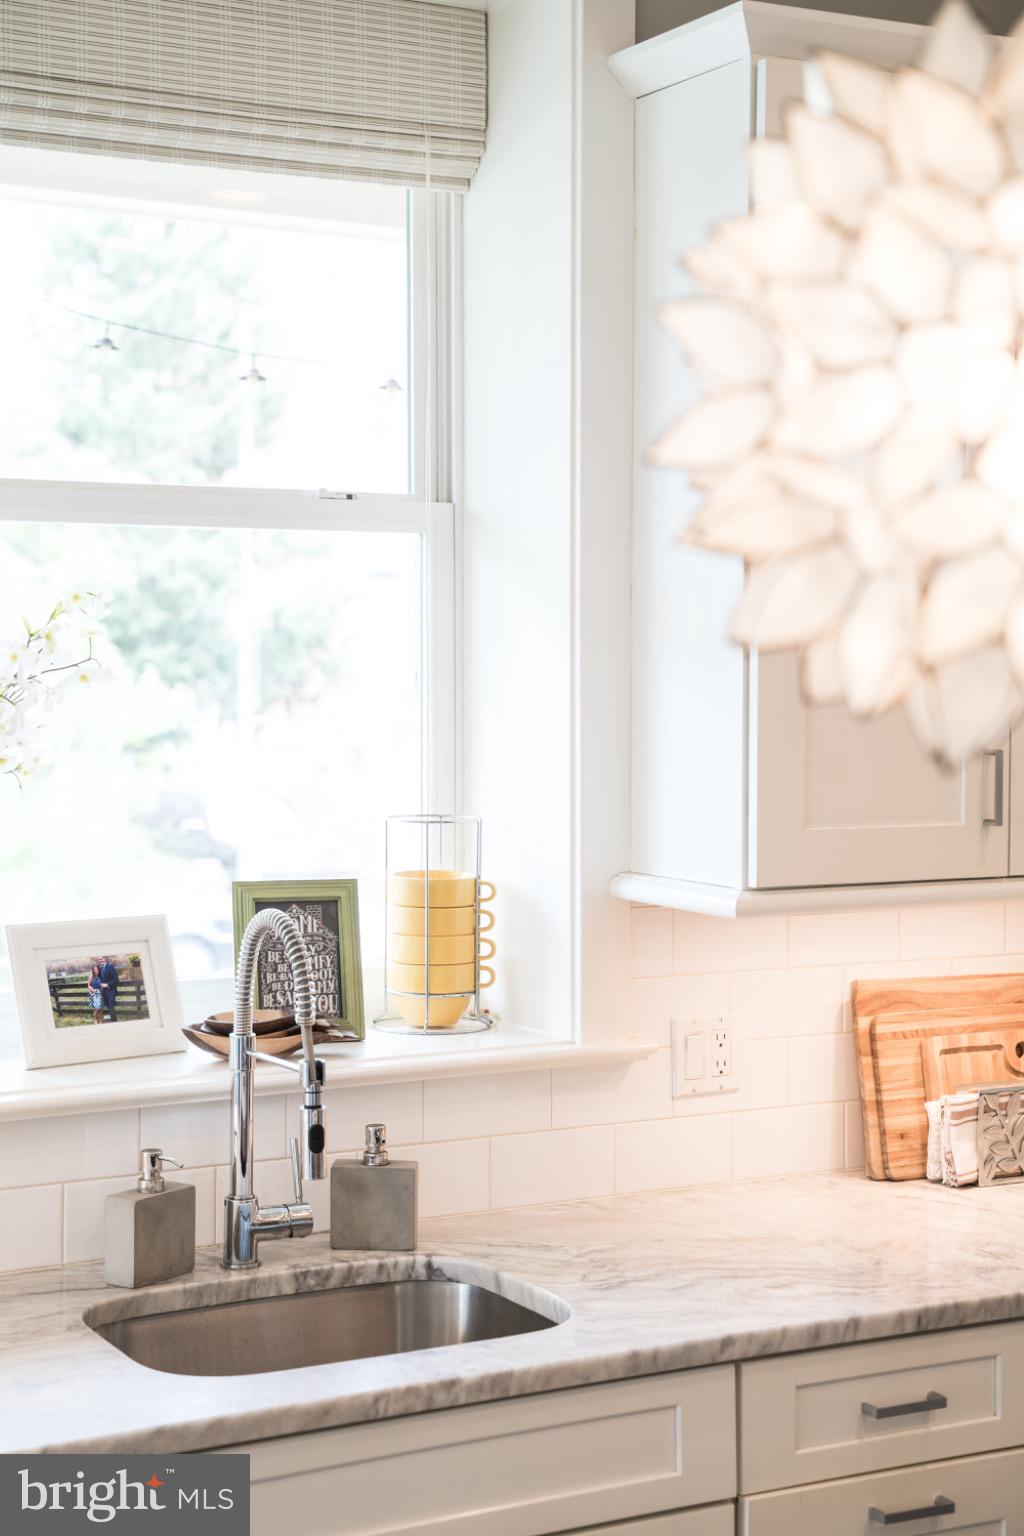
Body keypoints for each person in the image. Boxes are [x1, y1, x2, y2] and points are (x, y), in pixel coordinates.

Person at [98, 956, 120, 1022]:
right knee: (106, 1006)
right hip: (103, 991)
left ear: (104, 959)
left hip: (111, 990)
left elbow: (116, 979)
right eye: (98, 959)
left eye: (101, 959)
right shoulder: (99, 968)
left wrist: (107, 984)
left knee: (111, 1006)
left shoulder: (110, 967)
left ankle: (114, 1021)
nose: (100, 960)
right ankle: (111, 1020)